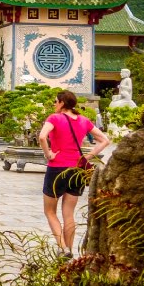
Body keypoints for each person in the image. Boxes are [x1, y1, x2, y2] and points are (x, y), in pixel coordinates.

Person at [38, 90, 109, 259]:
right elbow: (105, 140)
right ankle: (69, 248)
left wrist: (48, 154)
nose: (54, 104)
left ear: (62, 102)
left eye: (55, 101)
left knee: (50, 211)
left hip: (57, 168)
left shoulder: (54, 118)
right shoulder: (84, 120)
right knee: (68, 213)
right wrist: (89, 156)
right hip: (77, 170)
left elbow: (42, 136)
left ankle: (63, 247)